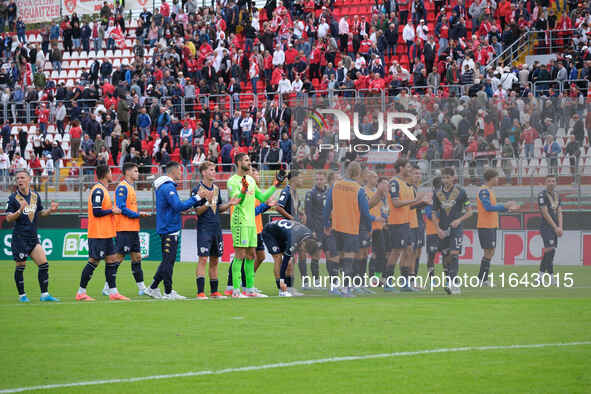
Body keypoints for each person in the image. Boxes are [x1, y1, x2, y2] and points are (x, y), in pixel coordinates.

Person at [144, 161, 206, 300]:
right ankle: (168, 291)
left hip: (168, 227)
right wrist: (197, 198)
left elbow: (173, 207)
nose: (181, 173)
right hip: (168, 228)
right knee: (168, 262)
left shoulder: (165, 186)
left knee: (168, 261)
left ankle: (153, 287)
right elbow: (178, 206)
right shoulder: (168, 187)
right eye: (180, 170)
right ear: (175, 170)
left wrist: (182, 208)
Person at [226, 153, 285, 298]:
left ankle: (249, 289)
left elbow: (263, 197)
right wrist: (243, 190)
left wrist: (275, 185)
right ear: (239, 162)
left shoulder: (251, 181)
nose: (249, 162)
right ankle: (235, 290)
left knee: (252, 255)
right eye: (246, 160)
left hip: (252, 223)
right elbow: (237, 200)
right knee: (240, 255)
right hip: (240, 222)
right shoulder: (232, 181)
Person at [323, 161, 379, 297]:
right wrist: (370, 227)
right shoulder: (359, 189)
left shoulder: (335, 185)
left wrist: (326, 225)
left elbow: (327, 207)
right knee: (348, 258)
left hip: (336, 227)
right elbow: (365, 213)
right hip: (351, 228)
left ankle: (334, 287)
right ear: (359, 173)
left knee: (336, 257)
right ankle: (346, 289)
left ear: (347, 170)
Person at [6, 170, 59, 302]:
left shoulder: (35, 196)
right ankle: (22, 296)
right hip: (20, 238)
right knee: (20, 266)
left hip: (33, 238)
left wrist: (50, 211)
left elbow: (40, 213)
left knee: (44, 264)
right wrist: (19, 210)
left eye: (22, 177)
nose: (20, 180)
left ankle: (45, 295)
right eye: (17, 178)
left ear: (29, 179)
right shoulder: (13, 198)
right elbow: (8, 218)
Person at [76, 165, 127, 301]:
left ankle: (113, 293)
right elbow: (96, 212)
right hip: (98, 233)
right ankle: (81, 292)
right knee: (93, 261)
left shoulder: (103, 189)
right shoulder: (98, 190)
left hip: (107, 233)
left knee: (111, 260)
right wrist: (112, 211)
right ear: (105, 174)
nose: (112, 174)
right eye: (111, 172)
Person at [101, 163, 152, 296]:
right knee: (118, 257)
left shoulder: (130, 187)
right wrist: (138, 214)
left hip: (133, 228)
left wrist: (138, 215)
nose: (138, 173)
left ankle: (141, 288)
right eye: (135, 171)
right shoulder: (122, 187)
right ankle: (107, 286)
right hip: (124, 228)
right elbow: (122, 208)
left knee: (137, 257)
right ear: (127, 172)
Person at [191, 161, 240, 299]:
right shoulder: (198, 189)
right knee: (203, 259)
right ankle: (200, 292)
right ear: (204, 172)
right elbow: (198, 211)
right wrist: (207, 201)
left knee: (214, 260)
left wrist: (230, 203)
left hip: (216, 228)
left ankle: (214, 292)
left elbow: (217, 208)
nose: (214, 172)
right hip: (204, 229)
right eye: (211, 170)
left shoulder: (217, 189)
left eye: (214, 170)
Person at [383, 159, 427, 292]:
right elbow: (396, 203)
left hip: (407, 223)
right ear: (401, 168)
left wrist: (423, 202)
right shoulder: (394, 182)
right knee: (395, 252)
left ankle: (405, 283)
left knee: (408, 251)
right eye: (408, 167)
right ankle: (388, 282)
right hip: (397, 222)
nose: (410, 169)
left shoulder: (406, 185)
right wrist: (415, 199)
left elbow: (411, 206)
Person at [432, 167, 473, 295]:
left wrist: (459, 220)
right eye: (443, 177)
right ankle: (448, 280)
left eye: (448, 177)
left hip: (456, 229)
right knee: (445, 256)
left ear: (453, 178)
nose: (445, 180)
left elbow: (470, 211)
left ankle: (453, 283)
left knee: (454, 253)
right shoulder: (437, 193)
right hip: (443, 229)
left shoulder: (461, 192)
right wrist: (437, 228)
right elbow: (434, 212)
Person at [476, 169, 518, 286]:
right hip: (485, 225)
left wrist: (506, 208)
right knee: (488, 251)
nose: (498, 180)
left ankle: (482, 278)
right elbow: (488, 207)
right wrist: (505, 205)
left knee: (490, 251)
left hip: (491, 225)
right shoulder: (484, 191)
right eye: (497, 177)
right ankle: (482, 279)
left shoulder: (489, 191)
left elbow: (493, 207)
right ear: (492, 178)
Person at [262, 219, 319, 297]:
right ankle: (281, 290)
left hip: (282, 234)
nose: (303, 251)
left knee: (290, 263)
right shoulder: (294, 239)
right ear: (303, 243)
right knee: (278, 258)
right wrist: (282, 280)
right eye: (304, 250)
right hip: (270, 233)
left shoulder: (310, 236)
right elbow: (285, 261)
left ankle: (289, 289)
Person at [538, 175, 562, 282]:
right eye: (549, 181)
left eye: (553, 181)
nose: (551, 183)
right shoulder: (542, 195)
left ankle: (549, 276)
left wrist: (560, 227)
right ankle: (541, 276)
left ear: (556, 183)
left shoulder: (557, 195)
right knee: (550, 249)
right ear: (545, 183)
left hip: (555, 227)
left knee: (551, 251)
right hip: (546, 226)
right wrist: (555, 227)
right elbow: (545, 212)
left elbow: (560, 211)